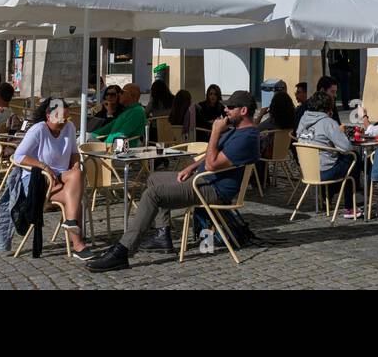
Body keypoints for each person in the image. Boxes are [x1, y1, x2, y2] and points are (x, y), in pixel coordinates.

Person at [88, 90, 260, 271]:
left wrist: (215, 132)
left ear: (243, 111)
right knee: (154, 178)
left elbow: (211, 164)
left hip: (214, 188)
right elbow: (215, 155)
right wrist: (191, 167)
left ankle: (123, 251)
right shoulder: (236, 130)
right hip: (202, 179)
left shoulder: (246, 137)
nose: (226, 110)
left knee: (153, 194)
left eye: (231, 107)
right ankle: (163, 236)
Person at [9, 97, 93, 259]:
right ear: (48, 116)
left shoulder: (68, 127)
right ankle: (77, 243)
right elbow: (18, 156)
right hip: (39, 181)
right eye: (60, 117)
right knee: (76, 200)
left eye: (66, 117)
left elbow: (75, 153)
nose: (63, 121)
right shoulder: (38, 130)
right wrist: (43, 166)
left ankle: (72, 228)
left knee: (77, 173)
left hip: (62, 178)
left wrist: (75, 163)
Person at [296, 90, 359, 219]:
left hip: (307, 171)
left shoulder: (303, 119)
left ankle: (327, 197)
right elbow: (346, 147)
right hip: (324, 172)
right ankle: (350, 206)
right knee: (353, 158)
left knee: (341, 161)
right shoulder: (328, 123)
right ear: (329, 107)